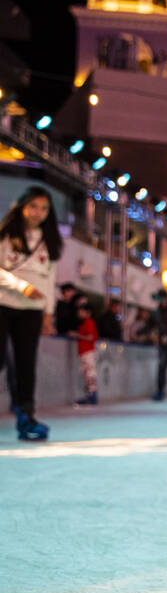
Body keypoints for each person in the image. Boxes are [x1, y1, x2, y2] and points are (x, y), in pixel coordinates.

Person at [0, 186, 62, 440]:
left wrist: (48, 314)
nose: (38, 212)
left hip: (32, 312)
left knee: (27, 364)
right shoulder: (6, 234)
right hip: (3, 305)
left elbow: (50, 280)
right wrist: (21, 287)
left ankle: (26, 416)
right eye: (34, 206)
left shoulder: (50, 242)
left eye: (44, 208)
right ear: (23, 205)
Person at [73, 298, 99, 405]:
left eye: (82, 311)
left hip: (88, 351)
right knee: (86, 373)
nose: (79, 313)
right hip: (84, 352)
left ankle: (92, 395)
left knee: (89, 372)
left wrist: (76, 335)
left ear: (88, 312)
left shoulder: (89, 322)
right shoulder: (84, 323)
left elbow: (90, 337)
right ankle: (90, 394)